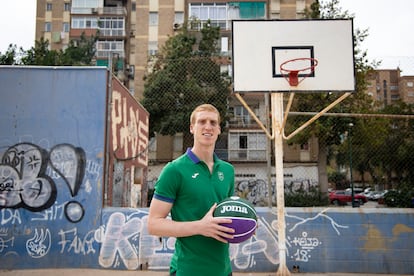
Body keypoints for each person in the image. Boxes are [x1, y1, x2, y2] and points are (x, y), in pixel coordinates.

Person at [147, 104, 235, 276]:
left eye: (213, 122)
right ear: (192, 128)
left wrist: (244, 224)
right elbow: (153, 224)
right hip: (187, 270)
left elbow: (226, 216)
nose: (208, 126)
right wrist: (200, 227)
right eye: (202, 121)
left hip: (223, 271)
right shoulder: (174, 170)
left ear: (218, 129)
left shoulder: (228, 170)